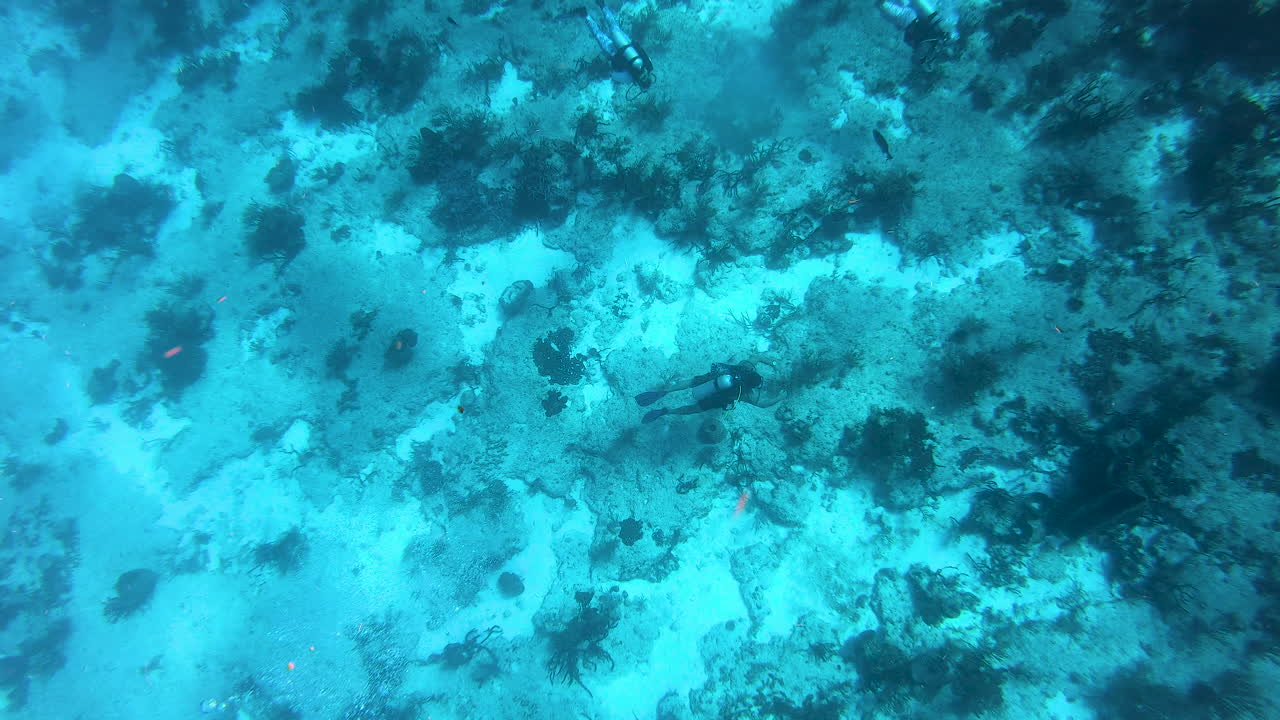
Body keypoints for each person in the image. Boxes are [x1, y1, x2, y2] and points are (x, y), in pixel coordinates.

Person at [635, 361, 782, 423]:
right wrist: (781, 396)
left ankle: (665, 391)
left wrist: (772, 362)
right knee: (693, 409)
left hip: (714, 378)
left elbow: (757, 357)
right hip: (715, 399)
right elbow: (762, 404)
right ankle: (667, 411)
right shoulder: (744, 393)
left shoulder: (743, 366)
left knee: (692, 381)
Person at [581, 0, 655, 88]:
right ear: (639, 84)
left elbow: (642, 51)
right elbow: (613, 74)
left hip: (626, 43)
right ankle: (585, 15)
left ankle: (602, 5)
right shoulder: (629, 79)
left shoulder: (648, 64)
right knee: (599, 35)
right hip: (614, 53)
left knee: (614, 26)